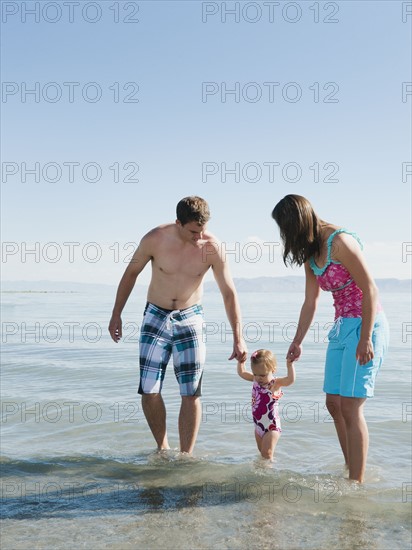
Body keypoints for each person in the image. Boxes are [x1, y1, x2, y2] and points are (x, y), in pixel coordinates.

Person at [108, 196, 247, 454]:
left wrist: (238, 337)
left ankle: (186, 455)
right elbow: (130, 274)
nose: (199, 236)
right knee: (149, 389)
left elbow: (229, 293)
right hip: (155, 315)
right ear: (178, 223)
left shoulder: (212, 248)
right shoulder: (155, 239)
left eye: (203, 230)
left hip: (191, 316)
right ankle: (162, 448)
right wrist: (116, 313)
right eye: (194, 231)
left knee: (191, 391)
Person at [272, 194, 389, 482]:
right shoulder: (310, 253)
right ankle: (351, 469)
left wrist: (365, 338)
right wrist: (297, 340)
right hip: (340, 328)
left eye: (287, 229)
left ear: (299, 222)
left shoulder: (340, 242)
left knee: (350, 405)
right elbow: (310, 302)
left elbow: (371, 290)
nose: (286, 236)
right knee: (333, 404)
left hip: (366, 325)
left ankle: (356, 484)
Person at [237, 349, 295, 461]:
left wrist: (290, 365)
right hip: (258, 426)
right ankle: (263, 471)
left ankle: (269, 474)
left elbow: (290, 380)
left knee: (267, 454)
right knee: (262, 454)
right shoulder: (255, 379)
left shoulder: (275, 383)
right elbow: (242, 373)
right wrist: (240, 362)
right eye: (255, 374)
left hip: (271, 427)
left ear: (273, 370)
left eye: (262, 375)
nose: (258, 378)